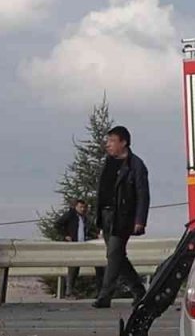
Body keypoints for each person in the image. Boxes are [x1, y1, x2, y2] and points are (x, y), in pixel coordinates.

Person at [93, 126, 150, 308]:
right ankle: (138, 290)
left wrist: (140, 220)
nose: (108, 145)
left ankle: (105, 296)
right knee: (117, 256)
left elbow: (143, 194)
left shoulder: (136, 165)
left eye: (112, 141)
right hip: (106, 215)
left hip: (124, 217)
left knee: (113, 254)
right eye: (107, 141)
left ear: (123, 142)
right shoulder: (108, 163)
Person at [55, 198, 101, 298]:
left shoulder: (84, 218)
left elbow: (90, 229)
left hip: (83, 245)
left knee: (98, 264)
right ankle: (69, 292)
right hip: (73, 245)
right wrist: (65, 235)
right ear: (75, 207)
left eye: (84, 207)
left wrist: (96, 234)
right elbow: (58, 224)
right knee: (73, 268)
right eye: (80, 207)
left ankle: (100, 290)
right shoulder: (71, 215)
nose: (83, 209)